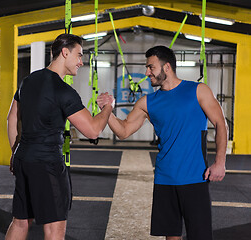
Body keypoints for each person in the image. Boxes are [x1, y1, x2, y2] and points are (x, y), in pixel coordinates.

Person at [97, 46, 228, 240]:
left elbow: (220, 123)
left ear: (166, 67)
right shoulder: (147, 102)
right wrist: (107, 110)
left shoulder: (198, 90)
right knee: (171, 236)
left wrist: (220, 162)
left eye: (151, 67)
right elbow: (123, 131)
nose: (147, 72)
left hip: (195, 177)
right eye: (147, 67)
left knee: (200, 235)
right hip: (164, 178)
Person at [5, 33, 114, 240]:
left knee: (20, 222)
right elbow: (93, 130)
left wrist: (15, 152)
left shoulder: (28, 81)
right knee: (55, 229)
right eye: (79, 55)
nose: (81, 62)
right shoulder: (63, 91)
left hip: (23, 159)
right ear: (65, 52)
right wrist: (108, 107)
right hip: (46, 165)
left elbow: (12, 119)